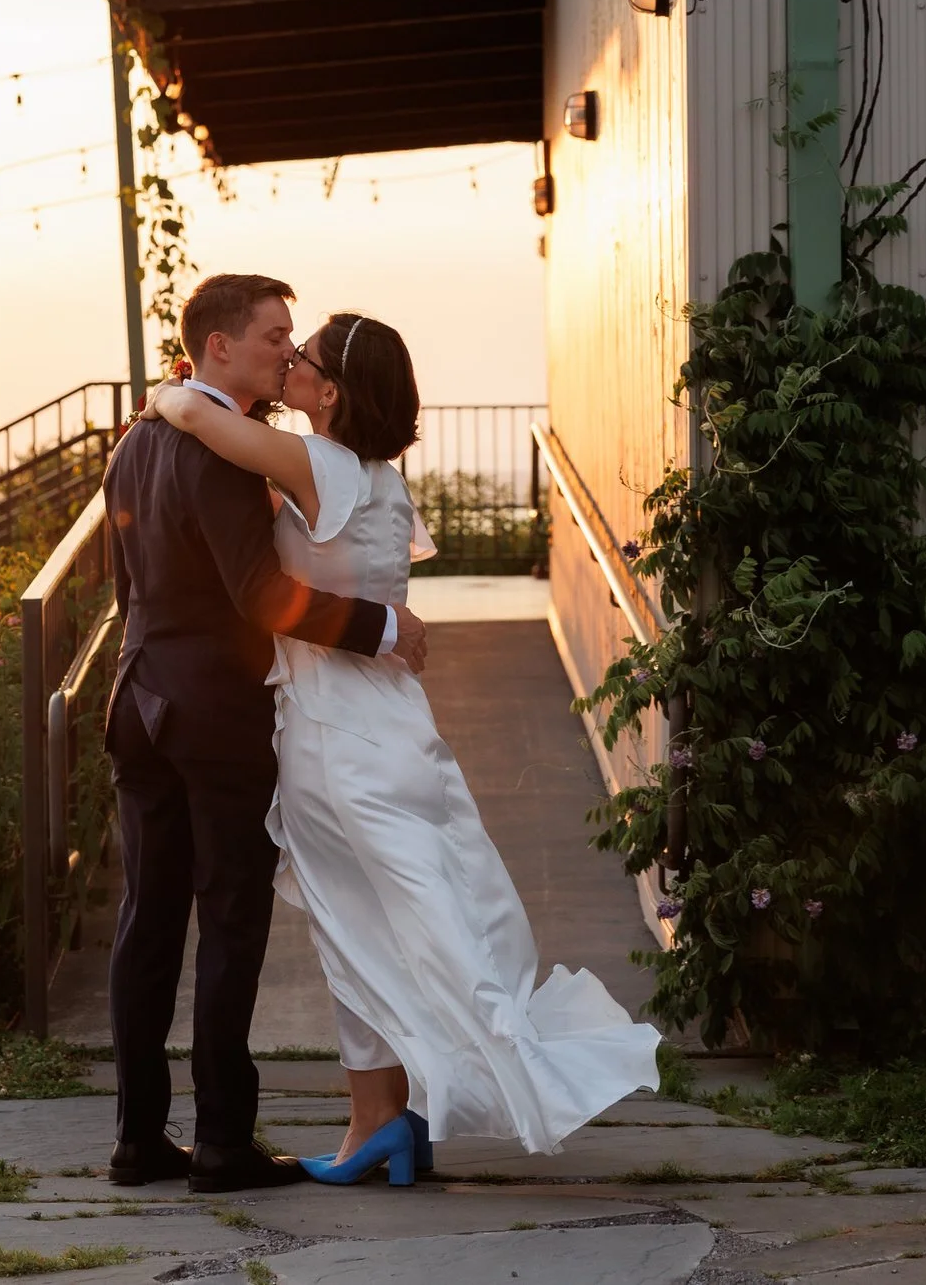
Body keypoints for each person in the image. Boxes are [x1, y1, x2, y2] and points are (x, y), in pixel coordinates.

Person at [143, 309, 660, 1189]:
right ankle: (387, 1118)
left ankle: (379, 1121)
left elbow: (197, 416)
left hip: (333, 730)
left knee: (356, 922)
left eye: (301, 358)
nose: (288, 364)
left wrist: (165, 389)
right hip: (394, 721)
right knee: (405, 908)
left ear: (330, 392)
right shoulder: (377, 477)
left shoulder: (316, 463)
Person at [102, 273, 431, 1196]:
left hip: (138, 700)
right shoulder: (229, 455)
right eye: (273, 335)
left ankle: (136, 1138)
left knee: (146, 920)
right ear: (218, 348)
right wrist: (380, 627)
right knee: (232, 920)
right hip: (215, 712)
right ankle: (220, 1142)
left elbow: (129, 587)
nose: (286, 350)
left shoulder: (133, 444)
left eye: (293, 338)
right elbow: (263, 598)